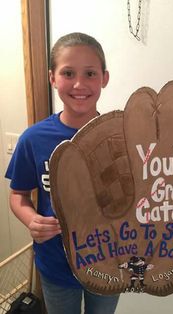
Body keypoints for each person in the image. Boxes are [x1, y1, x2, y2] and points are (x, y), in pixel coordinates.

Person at [5, 32, 119, 314]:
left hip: (112, 261)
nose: (79, 84)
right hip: (56, 265)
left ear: (104, 78)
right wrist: (31, 220)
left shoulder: (122, 137)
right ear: (52, 78)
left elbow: (149, 196)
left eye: (90, 73)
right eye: (68, 73)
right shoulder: (33, 139)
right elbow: (18, 195)